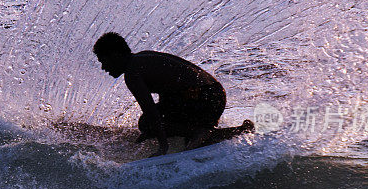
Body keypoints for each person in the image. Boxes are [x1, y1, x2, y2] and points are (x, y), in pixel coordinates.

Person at [93, 32, 253, 157]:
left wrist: (163, 146)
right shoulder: (143, 58)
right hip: (215, 94)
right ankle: (239, 131)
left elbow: (151, 111)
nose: (103, 68)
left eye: (103, 61)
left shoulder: (132, 73)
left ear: (115, 56)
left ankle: (200, 132)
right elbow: (169, 92)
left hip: (204, 98)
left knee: (146, 123)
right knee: (192, 140)